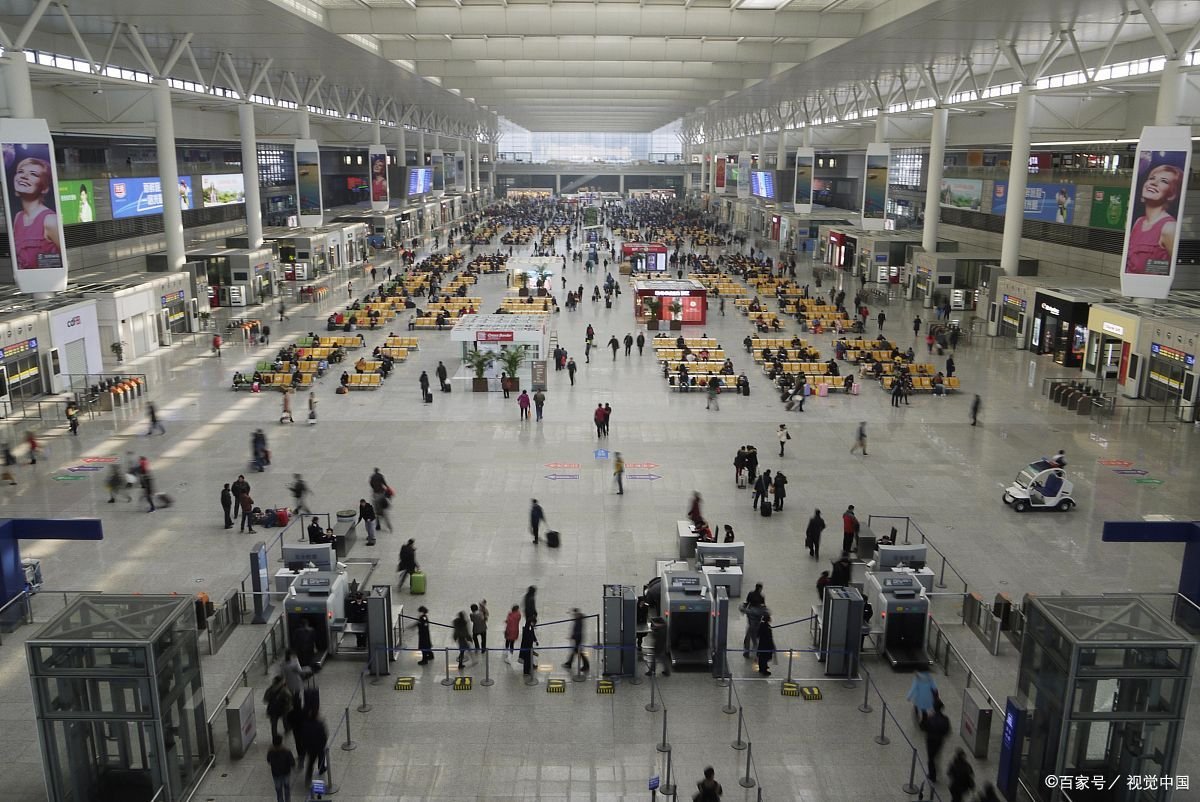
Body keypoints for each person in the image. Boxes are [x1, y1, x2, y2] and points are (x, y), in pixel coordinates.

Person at [1125, 163, 1183, 274]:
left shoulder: (1170, 228)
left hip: (1153, 288)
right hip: (1132, 286)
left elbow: (1173, 269)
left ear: (1172, 194)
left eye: (1164, 181)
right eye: (1152, 178)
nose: (1153, 183)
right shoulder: (1138, 222)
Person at [9, 155, 62, 270]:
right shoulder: (18, 217)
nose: (24, 176)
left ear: (44, 188)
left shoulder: (50, 220)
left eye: (33, 174)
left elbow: (65, 258)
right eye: (20, 171)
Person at [921, 700, 951, 784]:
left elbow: (923, 727)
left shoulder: (931, 718)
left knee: (930, 758)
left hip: (930, 741)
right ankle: (933, 766)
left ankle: (932, 775)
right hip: (939, 741)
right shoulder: (945, 719)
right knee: (934, 755)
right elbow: (947, 731)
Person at [297, 707, 329, 791]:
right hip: (319, 746)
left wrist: (305, 746)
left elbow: (303, 736)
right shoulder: (320, 724)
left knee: (310, 764)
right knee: (321, 756)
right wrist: (323, 744)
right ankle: (321, 768)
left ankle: (308, 779)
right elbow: (324, 736)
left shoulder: (306, 724)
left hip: (310, 748)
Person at [266, 734, 296, 802]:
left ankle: (280, 800)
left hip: (276, 774)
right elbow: (292, 762)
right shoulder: (287, 751)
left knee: (278, 790)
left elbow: (268, 760)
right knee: (287, 788)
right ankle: (287, 800)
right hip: (286, 773)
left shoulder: (270, 752)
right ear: (281, 742)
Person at [263, 675, 294, 740]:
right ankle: (287, 729)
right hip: (282, 708)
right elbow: (289, 698)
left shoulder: (270, 689)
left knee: (274, 725)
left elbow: (265, 699)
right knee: (285, 719)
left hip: (272, 709)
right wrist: (289, 706)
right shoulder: (284, 690)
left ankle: (274, 736)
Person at [742, 583, 766, 658]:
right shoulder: (761, 596)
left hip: (750, 615)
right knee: (754, 631)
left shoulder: (751, 594)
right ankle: (755, 647)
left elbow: (747, 602)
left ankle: (747, 649)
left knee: (750, 630)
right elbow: (763, 606)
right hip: (757, 617)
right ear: (760, 589)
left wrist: (744, 609)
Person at [563, 607, 590, 673]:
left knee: (579, 652)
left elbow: (577, 630)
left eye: (573, 614)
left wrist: (573, 636)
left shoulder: (578, 620)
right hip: (578, 638)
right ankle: (569, 663)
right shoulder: (578, 619)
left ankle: (586, 666)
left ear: (576, 613)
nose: (572, 615)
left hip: (578, 638)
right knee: (575, 651)